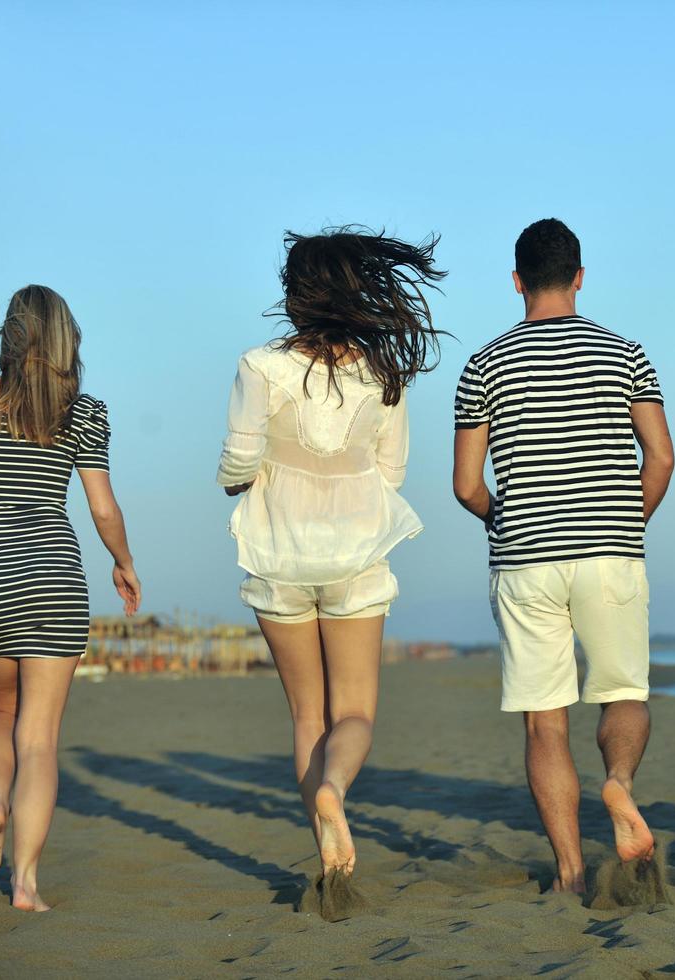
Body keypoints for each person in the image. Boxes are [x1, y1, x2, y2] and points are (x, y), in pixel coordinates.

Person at [216, 229, 443, 891]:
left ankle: (325, 841)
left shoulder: (258, 364)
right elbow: (393, 473)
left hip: (276, 551)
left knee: (306, 716)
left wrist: (238, 481)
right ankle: (335, 791)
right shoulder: (384, 374)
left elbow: (238, 458)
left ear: (295, 299)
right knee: (355, 716)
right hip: (356, 557)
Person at [453, 218, 674, 893]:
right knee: (626, 694)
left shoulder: (483, 365)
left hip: (524, 560)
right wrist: (624, 521)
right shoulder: (625, 354)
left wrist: (509, 521)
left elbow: (466, 486)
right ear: (580, 276)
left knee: (545, 721)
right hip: (609, 551)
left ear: (517, 281)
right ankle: (617, 782)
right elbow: (660, 456)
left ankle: (573, 874)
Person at [0, 285, 140, 911]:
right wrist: (123, 562)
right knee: (40, 738)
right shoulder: (86, 413)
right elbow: (102, 507)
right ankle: (25, 884)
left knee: (1, 713)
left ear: (9, 335)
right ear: (64, 340)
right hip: (52, 580)